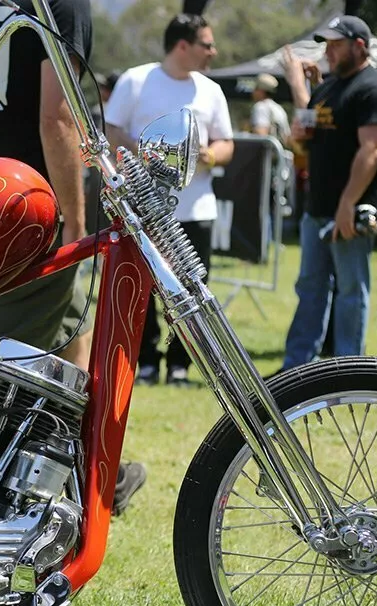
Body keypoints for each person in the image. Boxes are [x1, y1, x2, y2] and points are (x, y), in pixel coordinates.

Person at [0, 0, 145, 516]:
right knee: (15, 352)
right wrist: (74, 218)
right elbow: (58, 116)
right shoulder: (60, 2)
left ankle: (94, 471)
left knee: (71, 327)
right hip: (33, 195)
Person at [105, 13, 234, 387]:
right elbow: (112, 130)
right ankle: (146, 361)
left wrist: (207, 155)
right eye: (206, 44)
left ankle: (180, 364)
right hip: (143, 209)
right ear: (183, 46)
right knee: (143, 287)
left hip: (196, 209)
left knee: (192, 289)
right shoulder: (136, 80)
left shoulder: (211, 90)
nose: (213, 51)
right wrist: (150, 155)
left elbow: (226, 143)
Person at [278, 16, 377, 369]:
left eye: (336, 44)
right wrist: (300, 97)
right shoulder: (329, 87)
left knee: (350, 293)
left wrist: (347, 204)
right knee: (310, 290)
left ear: (359, 46)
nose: (328, 51)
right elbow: (305, 132)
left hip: (352, 210)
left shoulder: (375, 88)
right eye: (326, 44)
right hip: (318, 208)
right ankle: (296, 371)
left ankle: (348, 373)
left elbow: (373, 150)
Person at [250, 73, 290, 144]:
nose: (253, 92)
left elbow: (261, 135)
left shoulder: (260, 107)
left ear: (261, 91)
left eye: (256, 88)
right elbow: (286, 137)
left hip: (268, 153)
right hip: (281, 153)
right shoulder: (279, 108)